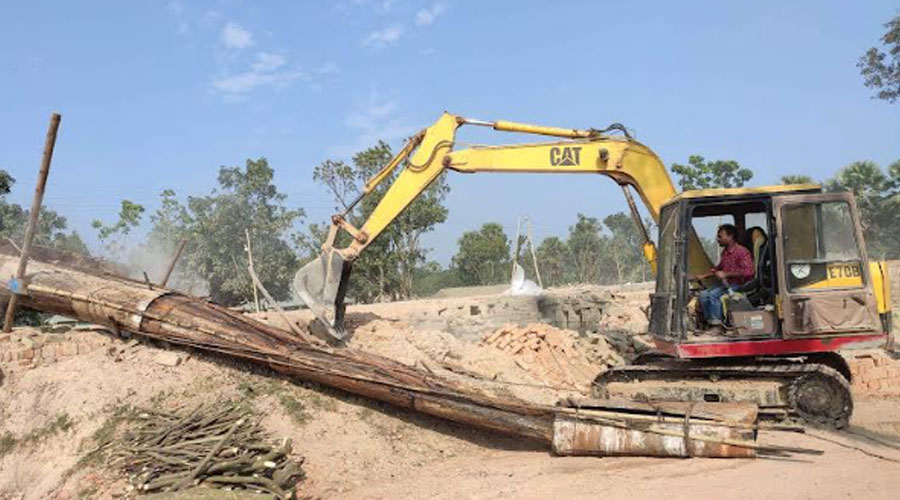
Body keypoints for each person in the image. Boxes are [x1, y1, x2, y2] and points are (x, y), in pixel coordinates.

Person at [692, 224, 754, 326]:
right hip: (726, 283)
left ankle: (717, 324)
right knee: (703, 295)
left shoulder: (742, 252)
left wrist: (726, 274)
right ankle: (710, 321)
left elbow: (749, 271)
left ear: (730, 237)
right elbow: (718, 268)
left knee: (713, 295)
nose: (717, 239)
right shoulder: (725, 252)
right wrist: (704, 275)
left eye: (720, 236)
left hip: (739, 285)